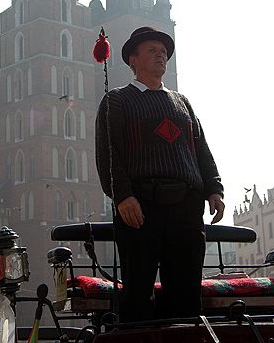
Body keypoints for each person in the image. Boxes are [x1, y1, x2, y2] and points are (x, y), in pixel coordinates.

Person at [95, 26, 224, 323]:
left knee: (186, 293)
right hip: (140, 206)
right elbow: (107, 152)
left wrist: (214, 188)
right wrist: (123, 195)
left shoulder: (182, 102)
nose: (161, 55)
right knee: (138, 292)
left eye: (164, 52)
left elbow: (200, 148)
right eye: (152, 50)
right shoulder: (118, 99)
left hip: (186, 208)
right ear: (133, 59)